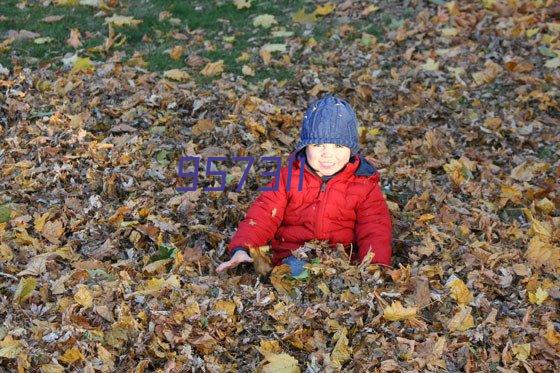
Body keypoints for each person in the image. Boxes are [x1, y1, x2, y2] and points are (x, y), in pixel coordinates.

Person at [216, 95, 392, 276]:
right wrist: (243, 248)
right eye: (318, 144)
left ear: (351, 149)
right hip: (294, 256)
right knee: (297, 273)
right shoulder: (288, 178)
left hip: (342, 261)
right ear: (305, 147)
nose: (327, 154)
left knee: (339, 279)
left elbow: (374, 229)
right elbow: (263, 215)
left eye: (338, 146)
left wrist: (374, 267)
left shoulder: (364, 184)